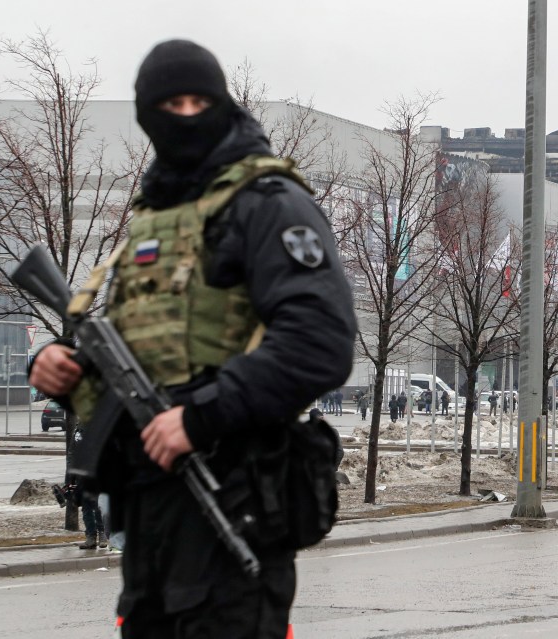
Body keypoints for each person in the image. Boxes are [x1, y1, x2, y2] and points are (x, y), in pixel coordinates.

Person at [28, 39, 355, 639]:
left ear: (223, 104)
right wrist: (64, 370)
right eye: (168, 104)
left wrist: (200, 417)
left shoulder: (269, 204)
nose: (183, 115)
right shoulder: (151, 219)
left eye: (197, 101)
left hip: (233, 502)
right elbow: (144, 360)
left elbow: (321, 342)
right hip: (149, 518)